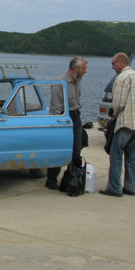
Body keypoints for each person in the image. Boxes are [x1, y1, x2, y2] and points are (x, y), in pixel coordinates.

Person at [100, 52, 135, 197]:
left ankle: (114, 187)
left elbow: (118, 104)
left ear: (121, 62)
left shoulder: (122, 78)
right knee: (132, 155)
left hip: (125, 123)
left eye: (113, 63)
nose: (112, 67)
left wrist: (115, 115)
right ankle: (131, 186)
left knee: (116, 155)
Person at [46, 56, 87, 190]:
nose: (85, 72)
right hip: (63, 117)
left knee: (76, 150)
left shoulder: (77, 80)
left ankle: (72, 178)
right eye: (83, 69)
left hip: (76, 116)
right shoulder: (60, 82)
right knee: (60, 149)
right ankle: (51, 180)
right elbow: (55, 107)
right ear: (75, 69)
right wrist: (58, 125)